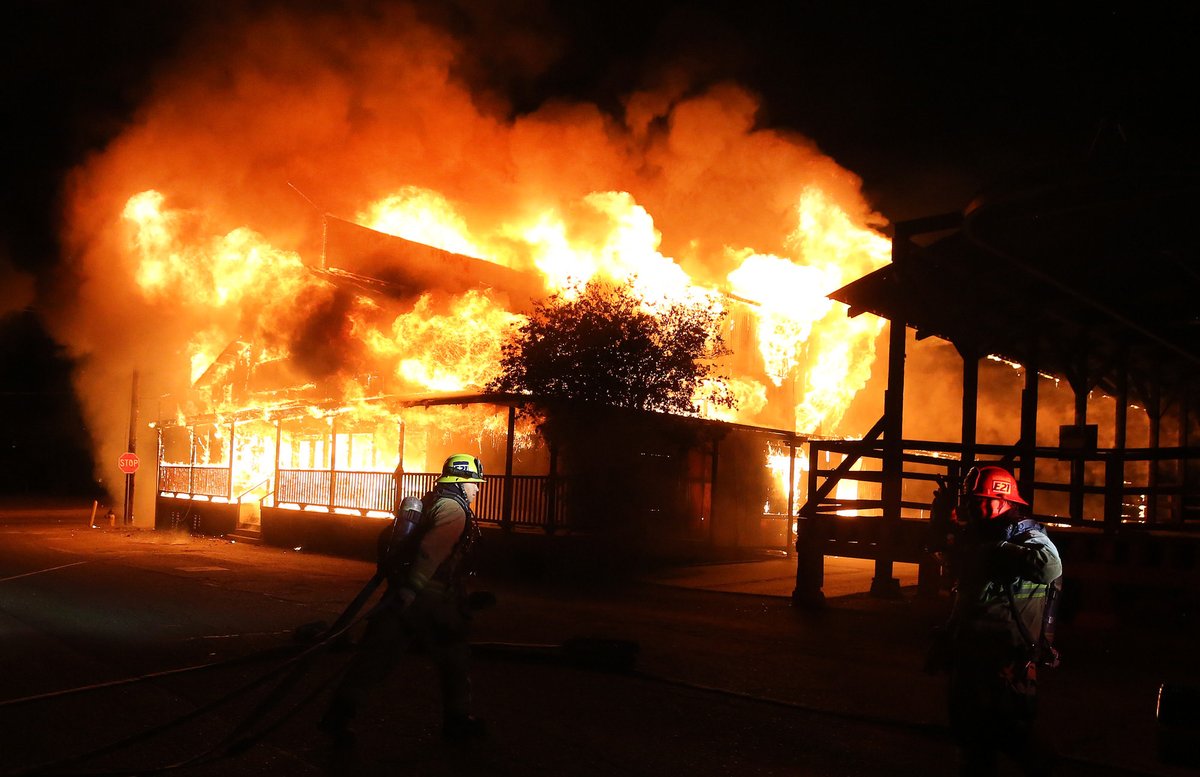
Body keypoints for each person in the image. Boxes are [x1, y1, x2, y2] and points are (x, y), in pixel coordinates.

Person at [320, 453, 488, 747]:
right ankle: (457, 722)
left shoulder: (434, 499)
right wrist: (412, 590)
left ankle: (338, 716)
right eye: (474, 483)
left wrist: (402, 590)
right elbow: (431, 552)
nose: (477, 489)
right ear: (461, 482)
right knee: (455, 660)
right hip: (431, 602)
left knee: (375, 658)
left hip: (405, 596)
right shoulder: (453, 509)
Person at [942, 465, 1062, 776]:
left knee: (1011, 731)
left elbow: (1049, 568)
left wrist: (997, 550)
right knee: (971, 733)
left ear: (1002, 500)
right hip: (973, 652)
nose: (972, 506)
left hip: (1005, 657)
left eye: (979, 500)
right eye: (970, 499)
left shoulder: (1027, 536)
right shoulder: (985, 534)